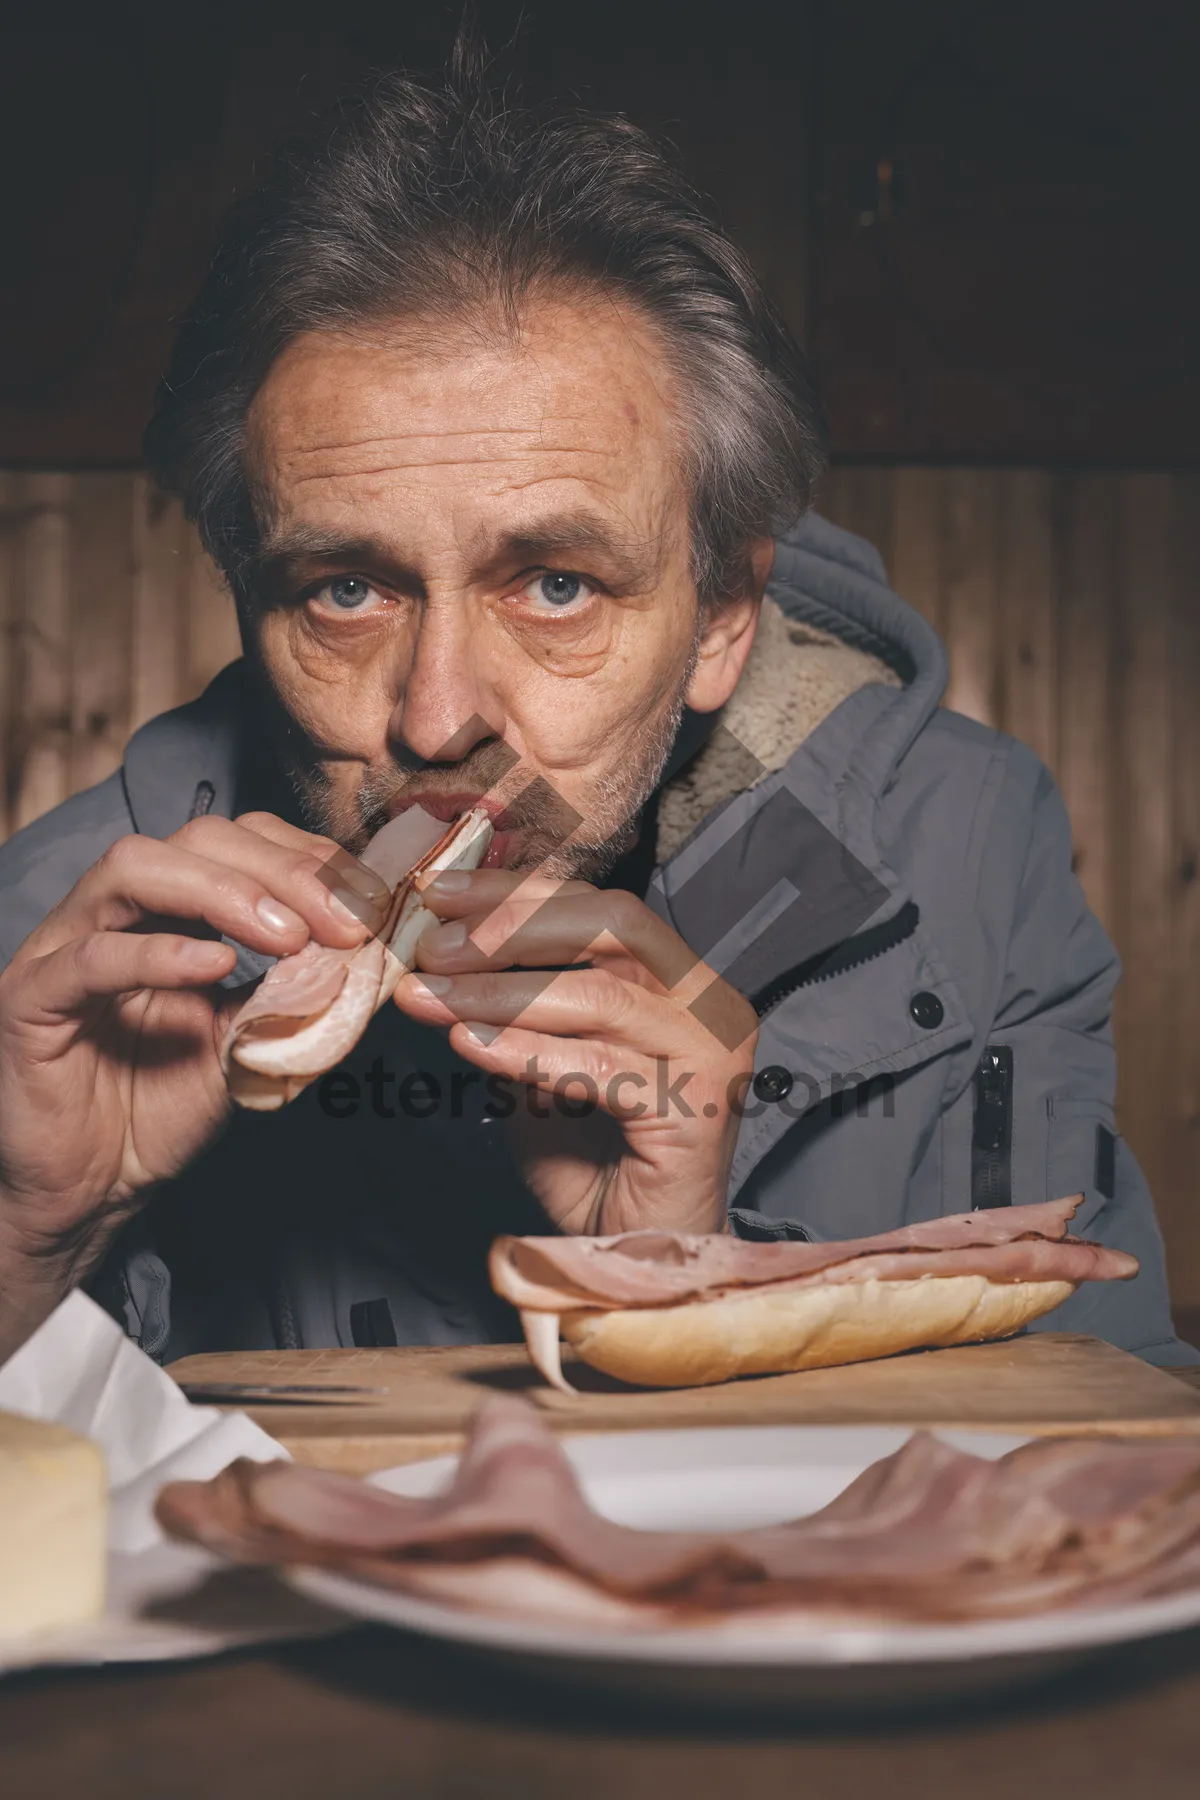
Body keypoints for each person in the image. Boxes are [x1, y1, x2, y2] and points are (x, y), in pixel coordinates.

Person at [0, 52, 1190, 1368]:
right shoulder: (54, 937)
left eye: (556, 584)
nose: (441, 720)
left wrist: (679, 1288)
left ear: (722, 620)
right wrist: (33, 1228)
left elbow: (1104, 1466)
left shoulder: (966, 853)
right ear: (248, 602)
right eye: (346, 589)